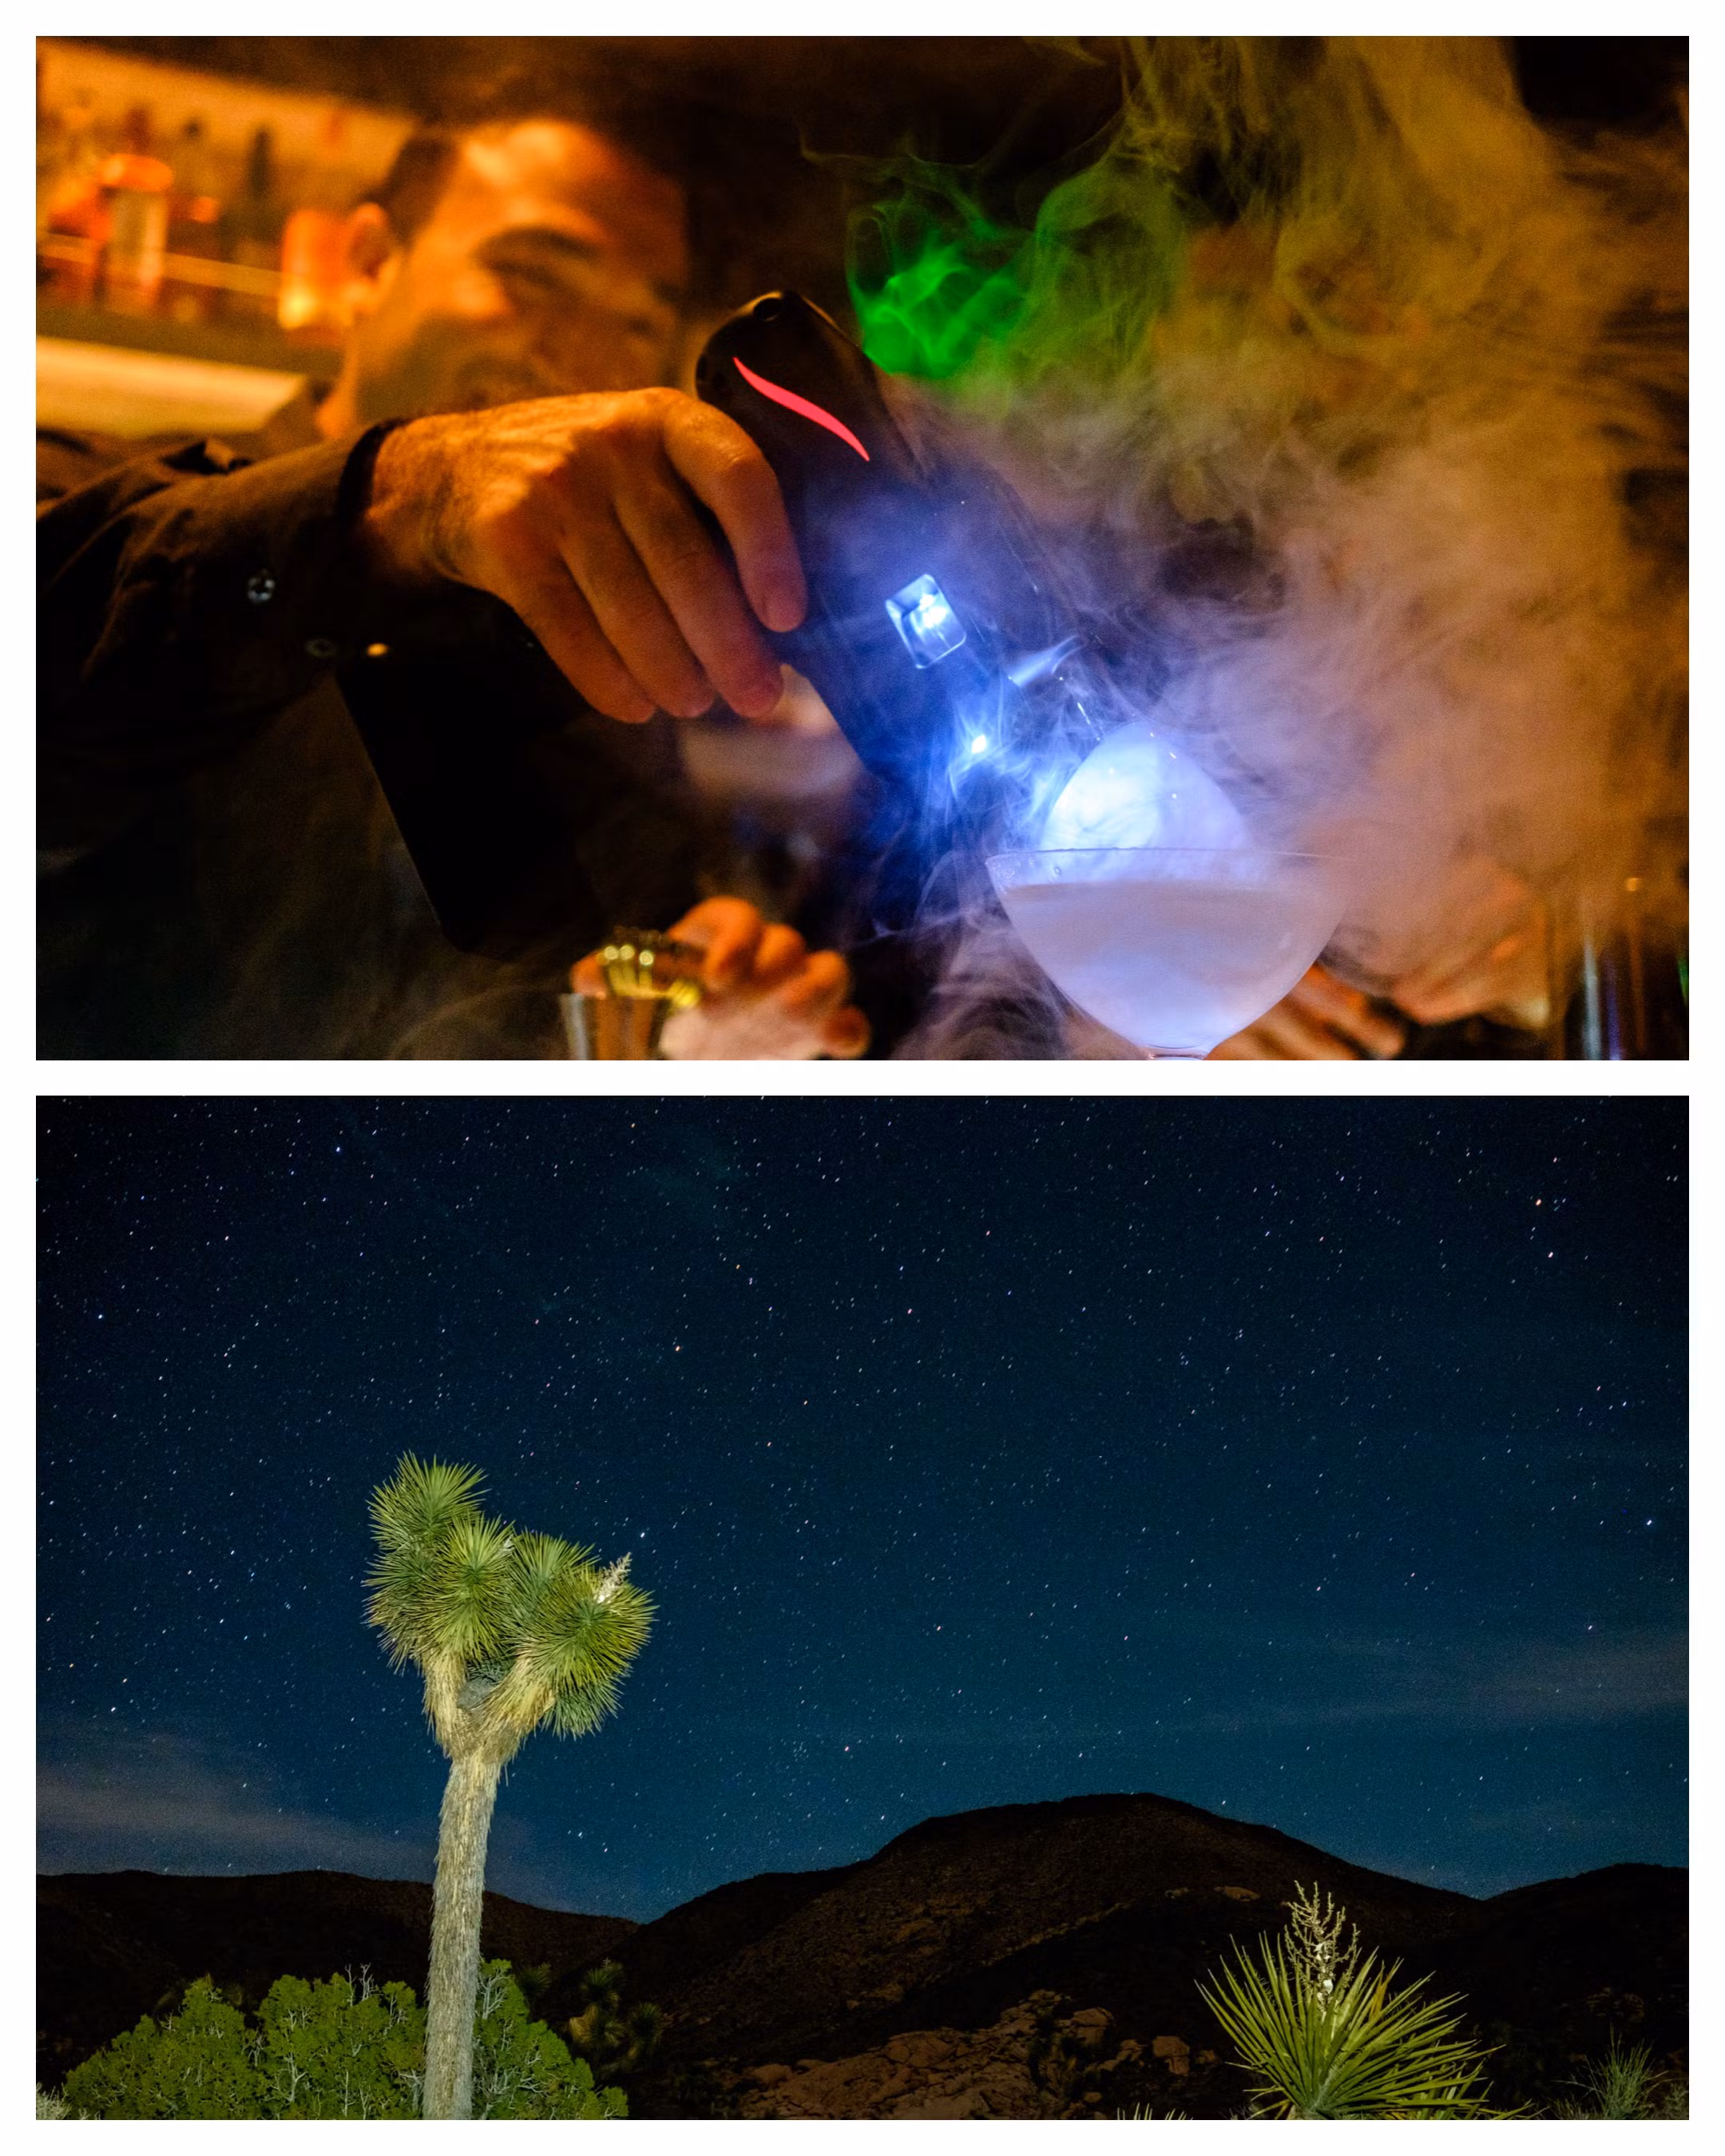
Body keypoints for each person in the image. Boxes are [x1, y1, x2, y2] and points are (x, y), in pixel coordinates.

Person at [38, 103, 866, 1059]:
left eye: (637, 321)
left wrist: (687, 996)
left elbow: (593, 952)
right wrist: (409, 497)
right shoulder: (86, 497)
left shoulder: (588, 638)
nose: (585, 357)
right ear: (367, 264)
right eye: (532, 275)